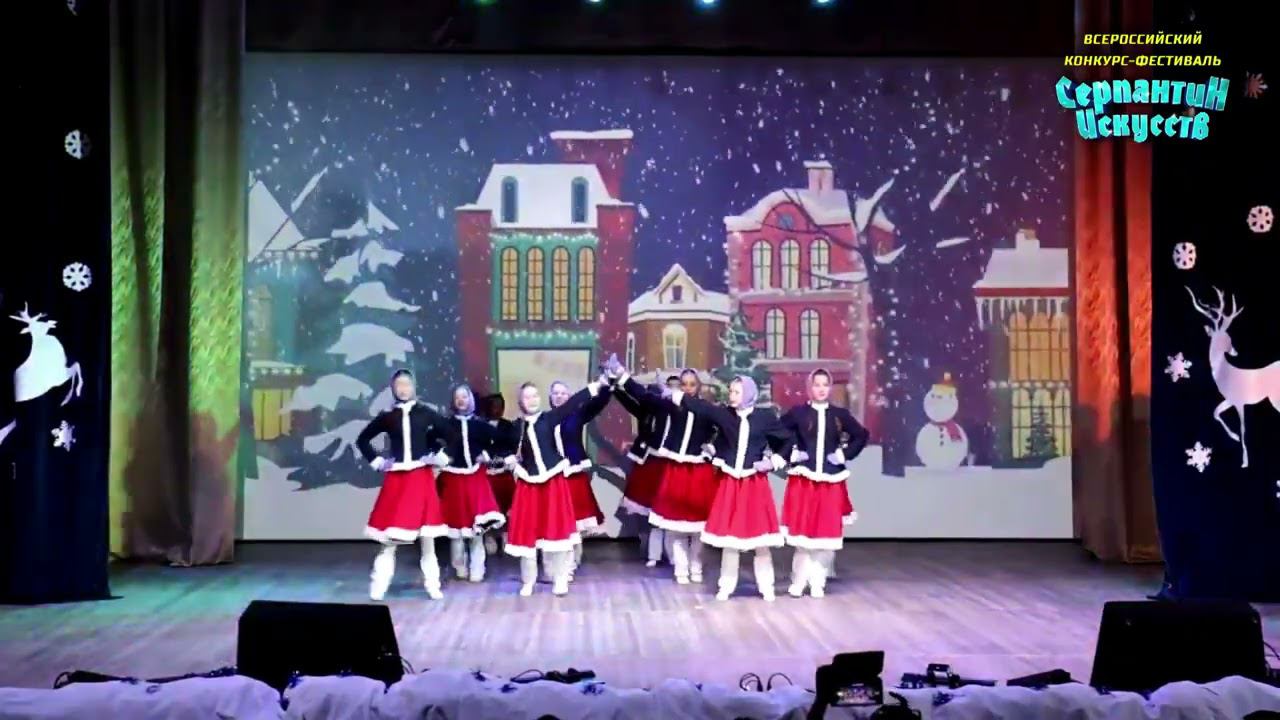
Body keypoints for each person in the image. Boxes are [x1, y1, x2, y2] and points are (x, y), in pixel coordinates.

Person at [668, 375, 789, 601]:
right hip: (731, 483)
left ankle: (767, 586)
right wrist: (676, 396)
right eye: (731, 391)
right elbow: (702, 408)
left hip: (754, 483)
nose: (731, 395)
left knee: (761, 541)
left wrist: (773, 461)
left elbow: (787, 441)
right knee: (729, 540)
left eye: (736, 392)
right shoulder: (726, 415)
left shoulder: (764, 417)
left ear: (748, 393)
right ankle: (726, 585)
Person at [502, 377, 608, 596]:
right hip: (528, 484)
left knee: (558, 531)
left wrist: (598, 384)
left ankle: (561, 579)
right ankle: (528, 581)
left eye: (535, 396)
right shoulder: (516, 427)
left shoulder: (549, 418)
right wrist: (510, 460)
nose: (532, 400)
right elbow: (504, 447)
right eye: (527, 397)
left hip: (553, 481)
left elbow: (574, 402)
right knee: (528, 534)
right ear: (520, 401)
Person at [355, 369, 452, 601]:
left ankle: (433, 585)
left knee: (427, 539)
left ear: (414, 386)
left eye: (407, 384)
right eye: (399, 384)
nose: (403, 388)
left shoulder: (426, 413)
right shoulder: (388, 416)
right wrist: (379, 462)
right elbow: (363, 439)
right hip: (398, 479)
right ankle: (379, 586)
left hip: (420, 477)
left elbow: (451, 434)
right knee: (390, 539)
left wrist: (437, 455)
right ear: (393, 388)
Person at [617, 367, 718, 585]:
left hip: (699, 471)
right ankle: (681, 568)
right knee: (674, 525)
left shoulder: (707, 409)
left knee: (698, 527)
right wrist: (622, 376)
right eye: (684, 384)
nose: (688, 388)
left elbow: (721, 430)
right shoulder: (669, 405)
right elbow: (644, 396)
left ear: (698, 386)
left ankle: (696, 566)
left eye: (692, 384)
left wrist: (711, 447)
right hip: (676, 470)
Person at [778, 369, 869, 598]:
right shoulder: (798, 413)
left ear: (830, 388)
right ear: (810, 387)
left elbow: (861, 435)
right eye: (816, 384)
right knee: (803, 534)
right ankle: (799, 581)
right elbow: (777, 433)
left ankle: (818, 582)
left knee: (825, 536)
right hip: (805, 481)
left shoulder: (839, 415)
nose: (820, 389)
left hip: (830, 481)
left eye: (825, 385)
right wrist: (792, 454)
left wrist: (843, 455)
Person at [438, 383, 507, 583]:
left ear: (471, 400)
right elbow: (429, 440)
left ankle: (478, 568)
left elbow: (502, 442)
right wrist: (442, 456)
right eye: (458, 397)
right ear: (454, 401)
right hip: (454, 480)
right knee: (457, 531)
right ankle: (459, 566)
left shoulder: (479, 425)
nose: (461, 400)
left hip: (475, 479)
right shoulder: (446, 424)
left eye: (465, 396)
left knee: (477, 530)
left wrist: (487, 454)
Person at [549, 378, 612, 578]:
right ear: (550, 397)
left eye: (563, 393)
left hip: (574, 474)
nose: (559, 396)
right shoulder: (545, 419)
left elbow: (598, 404)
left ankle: (572, 562)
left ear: (569, 396)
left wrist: (607, 385)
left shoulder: (577, 414)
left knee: (575, 521)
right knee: (560, 521)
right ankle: (561, 563)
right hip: (554, 476)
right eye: (555, 393)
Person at [614, 380, 671, 567]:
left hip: (665, 464)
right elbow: (629, 403)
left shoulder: (671, 412)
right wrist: (614, 387)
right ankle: (653, 553)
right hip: (647, 465)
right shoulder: (645, 411)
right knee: (649, 512)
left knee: (665, 512)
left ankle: (669, 555)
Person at [481, 393, 519, 556]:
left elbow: (513, 447)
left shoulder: (509, 426)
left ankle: (505, 534)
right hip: (486, 474)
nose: (496, 409)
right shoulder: (479, 424)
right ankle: (489, 535)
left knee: (507, 505)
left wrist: (503, 458)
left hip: (504, 473)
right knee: (488, 507)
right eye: (493, 406)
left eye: (499, 406)